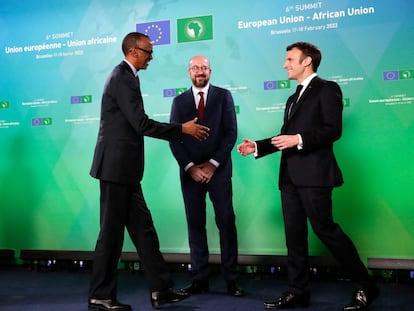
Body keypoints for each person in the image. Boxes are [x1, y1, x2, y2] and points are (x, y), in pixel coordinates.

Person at [237, 42, 379, 310]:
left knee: (326, 231)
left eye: (290, 59)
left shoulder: (327, 89)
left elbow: (332, 129)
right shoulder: (293, 98)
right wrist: (258, 146)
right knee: (294, 236)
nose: (284, 64)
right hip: (289, 177)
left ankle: (366, 286)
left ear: (307, 62)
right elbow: (286, 137)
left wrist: (299, 139)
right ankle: (298, 291)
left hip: (315, 176)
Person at [88, 32, 209, 311]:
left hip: (126, 170)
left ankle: (161, 290)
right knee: (111, 234)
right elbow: (140, 124)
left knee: (144, 230)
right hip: (116, 168)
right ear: (133, 51)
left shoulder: (127, 77)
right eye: (148, 51)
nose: (151, 57)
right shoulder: (122, 77)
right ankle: (100, 295)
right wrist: (181, 130)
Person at [169, 55, 244, 297]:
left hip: (218, 172)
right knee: (195, 225)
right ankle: (199, 278)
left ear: (210, 71)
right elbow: (175, 138)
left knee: (226, 222)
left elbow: (230, 133)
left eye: (204, 68)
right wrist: (191, 167)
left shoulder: (224, 96)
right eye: (195, 68)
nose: (200, 72)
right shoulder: (179, 102)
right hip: (190, 174)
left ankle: (231, 279)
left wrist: (212, 165)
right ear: (188, 72)